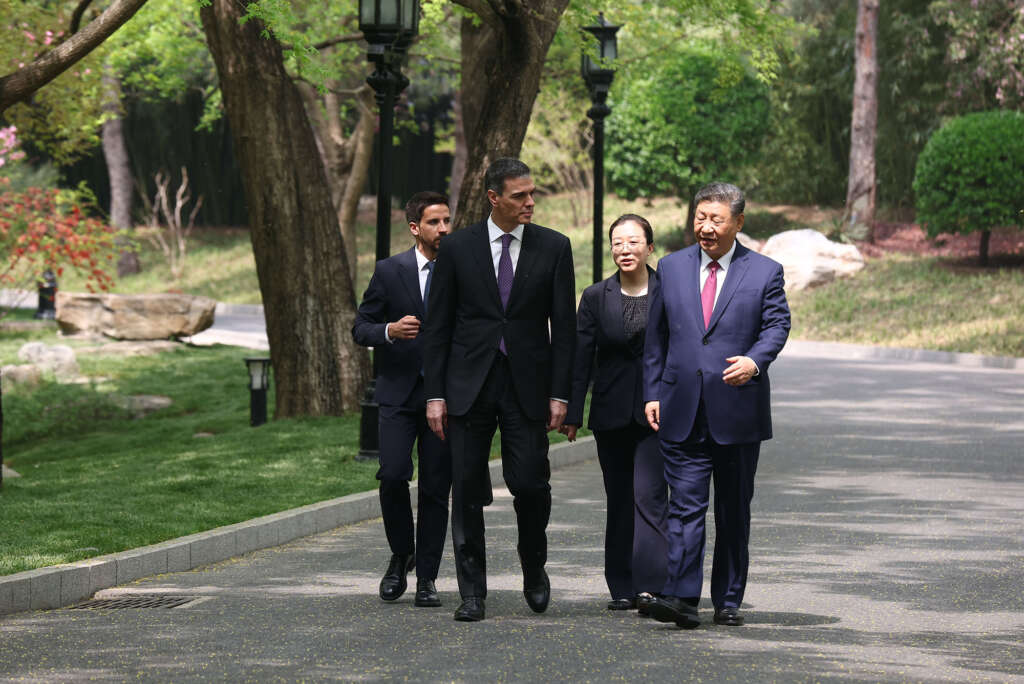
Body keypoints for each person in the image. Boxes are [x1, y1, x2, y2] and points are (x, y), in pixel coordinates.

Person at [422, 158, 576, 622]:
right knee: (467, 488)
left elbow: (564, 329)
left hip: (527, 387)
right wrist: (435, 394)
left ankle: (534, 566)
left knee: (530, 483)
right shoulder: (457, 248)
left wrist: (561, 394)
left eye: (532, 194)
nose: (530, 202)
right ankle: (472, 592)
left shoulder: (554, 247)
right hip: (467, 386)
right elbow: (438, 327)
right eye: (519, 195)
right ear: (494, 198)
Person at [643, 182, 790, 629]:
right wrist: (653, 392)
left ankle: (727, 599)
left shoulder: (764, 271)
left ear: (738, 222)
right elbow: (656, 337)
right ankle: (683, 598)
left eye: (716, 220)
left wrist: (755, 361)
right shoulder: (670, 267)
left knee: (732, 510)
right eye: (700, 218)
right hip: (681, 407)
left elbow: (777, 325)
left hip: (737, 410)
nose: (706, 228)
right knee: (685, 507)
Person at [560, 214, 668, 614]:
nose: (625, 249)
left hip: (658, 412)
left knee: (650, 496)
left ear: (649, 247)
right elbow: (581, 358)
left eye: (633, 242)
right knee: (620, 499)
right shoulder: (595, 296)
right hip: (611, 412)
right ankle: (621, 586)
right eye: (618, 243)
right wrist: (572, 412)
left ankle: (651, 585)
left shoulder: (669, 291)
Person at [351, 191, 453, 608]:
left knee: (435, 487)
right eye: (434, 222)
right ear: (415, 228)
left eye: (447, 221)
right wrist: (389, 331)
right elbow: (361, 327)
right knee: (392, 475)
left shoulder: (461, 269)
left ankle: (427, 577)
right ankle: (401, 553)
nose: (443, 229)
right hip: (397, 394)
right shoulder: (389, 271)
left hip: (444, 397)